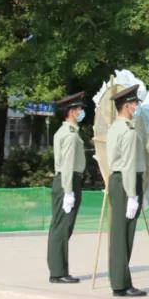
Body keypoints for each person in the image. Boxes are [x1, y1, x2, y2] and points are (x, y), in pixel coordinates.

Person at [106, 84, 146, 298]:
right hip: (126, 182)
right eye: (135, 103)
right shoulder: (128, 132)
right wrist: (132, 195)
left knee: (119, 233)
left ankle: (119, 281)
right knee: (123, 235)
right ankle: (121, 284)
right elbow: (129, 165)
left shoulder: (115, 127)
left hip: (118, 180)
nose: (137, 107)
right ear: (127, 106)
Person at [47, 91, 87, 284]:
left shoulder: (64, 132)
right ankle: (58, 272)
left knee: (60, 226)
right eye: (79, 109)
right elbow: (68, 164)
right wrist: (69, 191)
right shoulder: (70, 135)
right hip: (68, 181)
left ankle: (58, 270)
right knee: (62, 228)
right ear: (71, 112)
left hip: (65, 181)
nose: (81, 112)